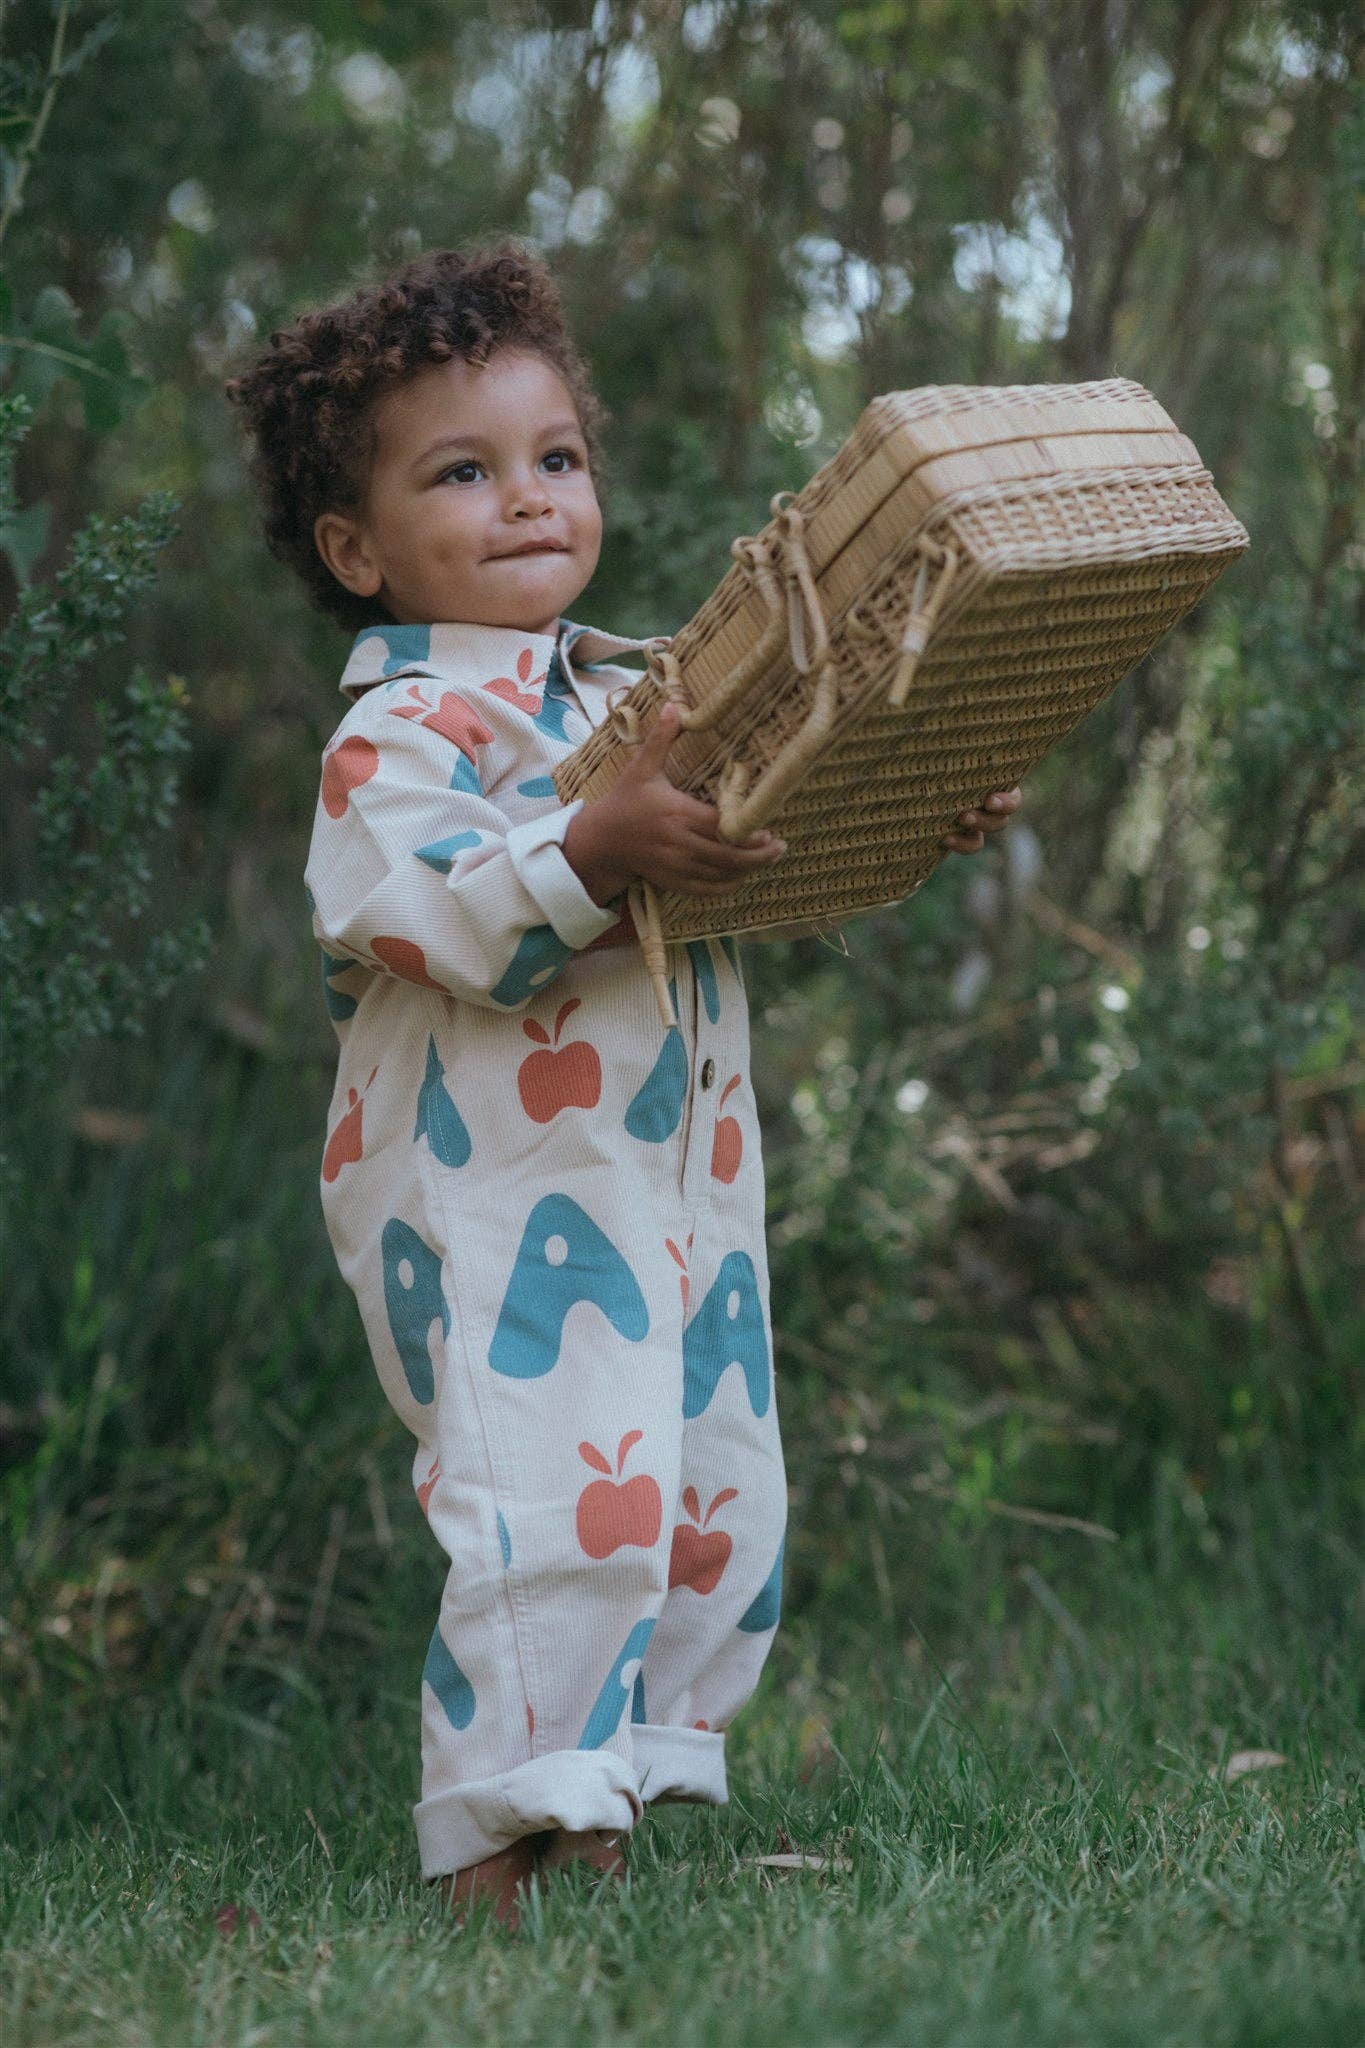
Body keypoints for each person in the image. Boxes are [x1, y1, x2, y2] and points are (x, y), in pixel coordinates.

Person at [225, 241, 1020, 1931]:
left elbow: (770, 832)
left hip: (668, 1179)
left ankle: (607, 1813)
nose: (527, 499)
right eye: (464, 470)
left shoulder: (642, 689)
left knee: (708, 1488)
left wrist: (905, 780)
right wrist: (588, 842)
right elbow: (432, 904)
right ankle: (491, 1859)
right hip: (490, 1184)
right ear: (355, 548)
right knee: (555, 1491)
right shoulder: (405, 732)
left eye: (554, 458)